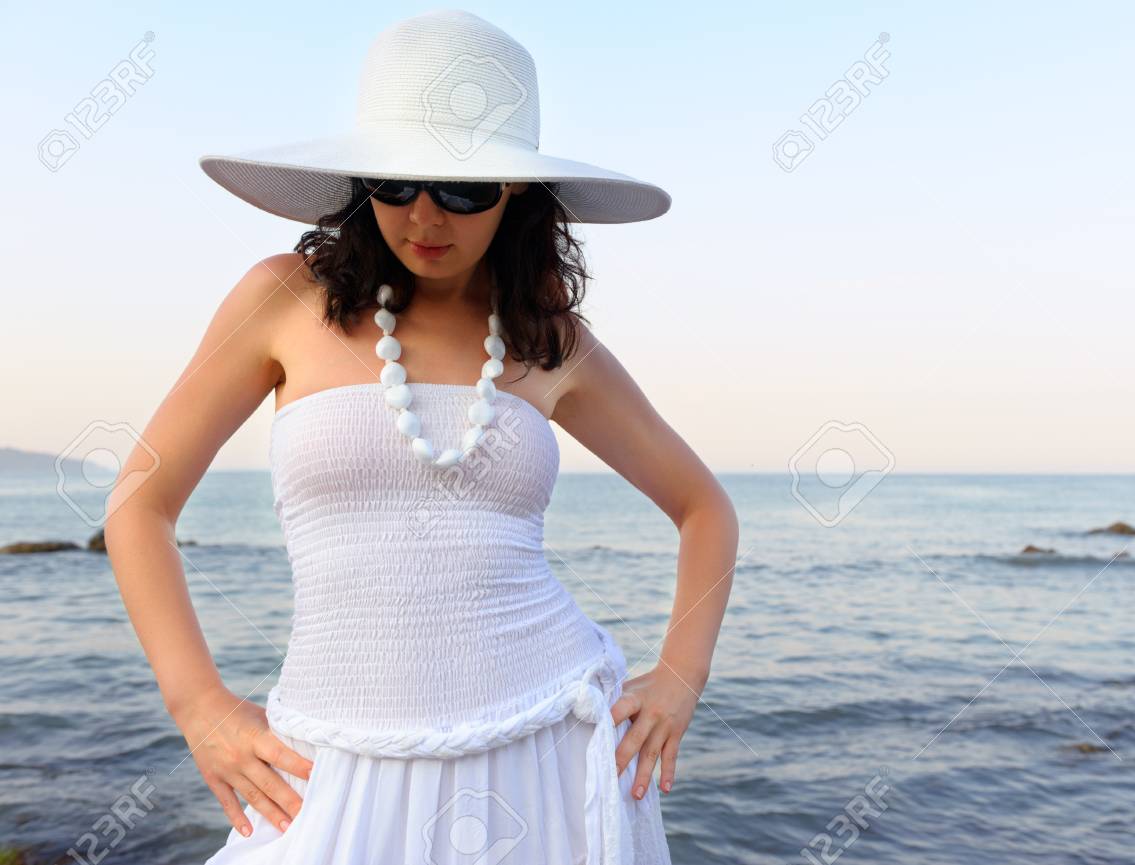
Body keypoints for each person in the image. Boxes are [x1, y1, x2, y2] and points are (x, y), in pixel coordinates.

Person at [103, 10, 738, 864]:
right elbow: (139, 502)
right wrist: (198, 705)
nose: (425, 216)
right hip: (331, 754)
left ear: (516, 190)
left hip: (544, 742)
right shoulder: (284, 299)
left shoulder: (545, 338)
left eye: (463, 189)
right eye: (397, 184)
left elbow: (704, 507)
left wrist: (682, 676)